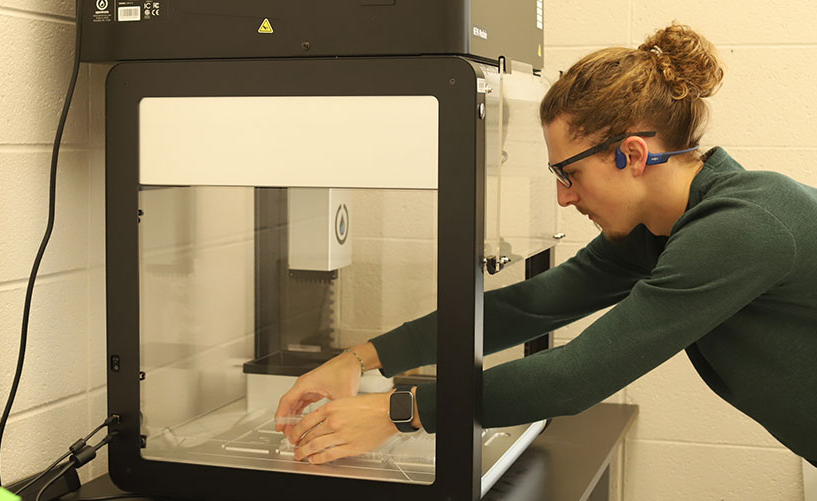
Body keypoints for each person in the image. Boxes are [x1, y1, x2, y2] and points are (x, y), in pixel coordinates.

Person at [274, 24, 817, 469]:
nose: (563, 198)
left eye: (570, 172)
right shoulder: (664, 229)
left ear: (630, 154)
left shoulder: (743, 225)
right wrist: (360, 359)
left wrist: (396, 411)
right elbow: (528, 306)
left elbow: (575, 377)